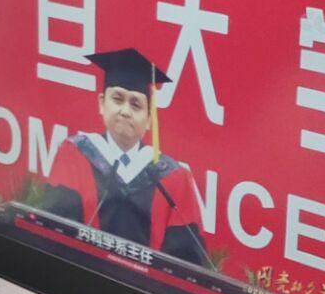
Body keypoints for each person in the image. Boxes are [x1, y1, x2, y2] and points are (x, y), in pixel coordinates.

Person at [35, 47, 210, 266]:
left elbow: (186, 261)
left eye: (136, 104)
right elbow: (55, 232)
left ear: (149, 119)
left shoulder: (173, 178)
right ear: (102, 104)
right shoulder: (75, 154)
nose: (125, 111)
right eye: (117, 99)